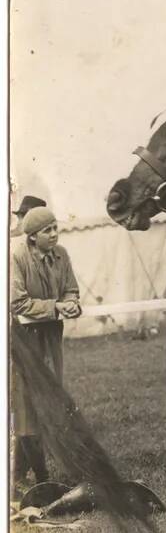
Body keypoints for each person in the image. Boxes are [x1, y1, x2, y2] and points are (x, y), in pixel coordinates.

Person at [10, 206, 81, 492]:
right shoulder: (16, 257)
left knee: (50, 399)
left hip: (51, 335)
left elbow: (71, 288)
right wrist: (56, 306)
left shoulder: (61, 254)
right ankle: (41, 479)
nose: (54, 234)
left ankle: (19, 476)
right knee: (26, 405)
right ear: (31, 237)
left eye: (55, 228)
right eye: (46, 231)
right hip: (23, 338)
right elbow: (16, 303)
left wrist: (71, 302)